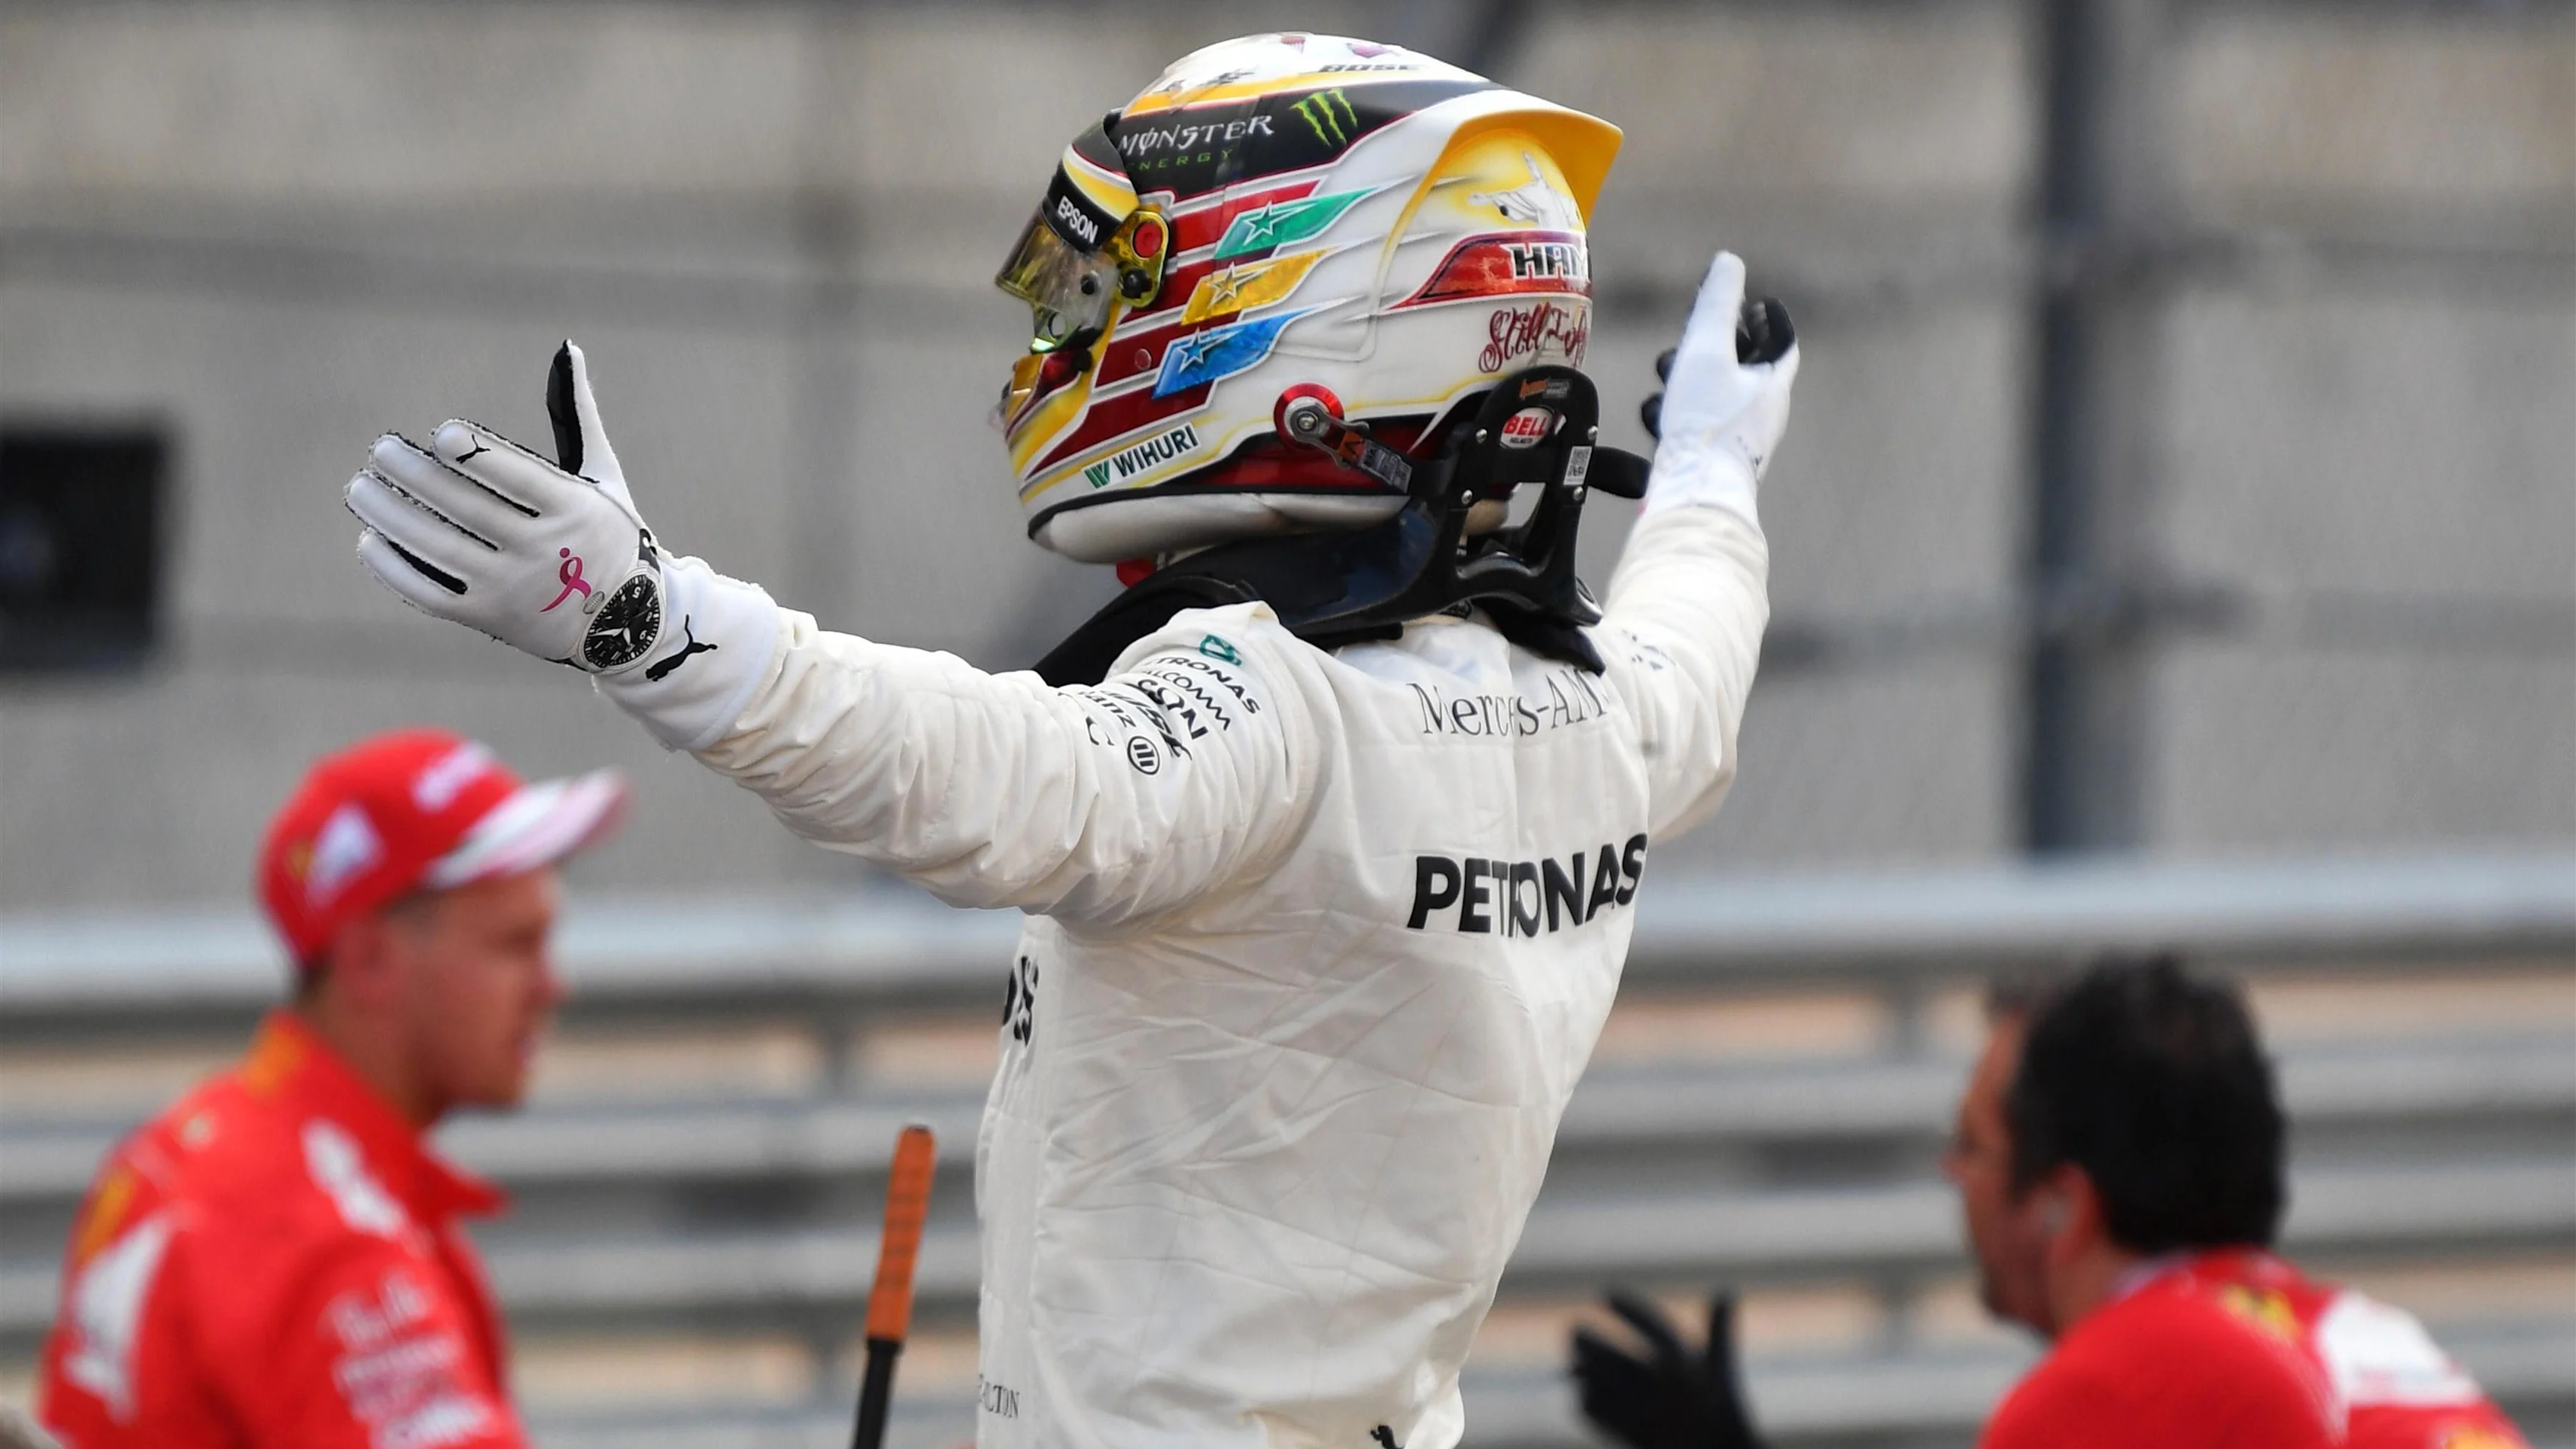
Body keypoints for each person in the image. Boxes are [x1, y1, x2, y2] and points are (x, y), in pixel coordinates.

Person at [336, 32, 1792, 1449]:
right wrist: (1713, 471)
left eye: (1109, 283)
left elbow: (1000, 778)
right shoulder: (1595, 701)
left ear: (1295, 309)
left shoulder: (1288, 704)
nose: (1063, 329)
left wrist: (654, 622)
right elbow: (1696, 654)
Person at [1568, 955, 2530, 1449]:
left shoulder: (2141, 1374)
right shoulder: (2354, 1334)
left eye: (1973, 1147)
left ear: (2062, 1207)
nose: (1952, 1178)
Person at [36, 729, 627, 1448]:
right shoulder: (326, 1235)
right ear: (371, 960)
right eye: (514, 945)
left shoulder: (190, 1148)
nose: (549, 985)